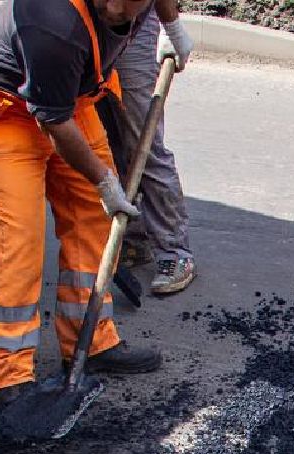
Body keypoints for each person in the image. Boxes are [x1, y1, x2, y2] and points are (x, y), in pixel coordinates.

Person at [0, 0, 163, 418]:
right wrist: (106, 182)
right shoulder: (52, 22)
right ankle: (10, 374)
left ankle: (91, 343)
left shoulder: (133, 4)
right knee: (20, 237)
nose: (114, 8)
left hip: (72, 103)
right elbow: (53, 122)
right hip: (4, 110)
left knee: (94, 220)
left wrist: (174, 29)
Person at [113, 1, 196, 296]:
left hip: (132, 23)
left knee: (142, 144)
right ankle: (133, 239)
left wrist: (169, 26)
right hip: (88, 26)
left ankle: (175, 253)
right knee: (111, 141)